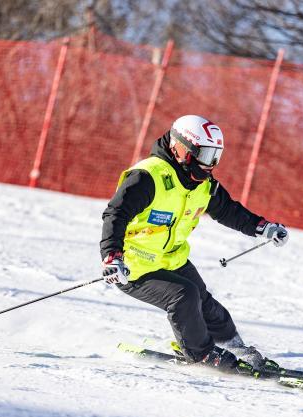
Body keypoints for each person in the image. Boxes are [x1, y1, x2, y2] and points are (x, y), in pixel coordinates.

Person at [100, 115, 288, 373]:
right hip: (134, 266)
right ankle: (200, 353)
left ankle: (235, 347)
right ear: (181, 148)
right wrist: (112, 256)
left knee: (206, 304)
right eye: (204, 154)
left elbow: (228, 211)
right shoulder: (148, 176)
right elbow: (115, 214)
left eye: (214, 157)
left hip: (172, 260)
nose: (209, 165)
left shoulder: (203, 185)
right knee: (183, 296)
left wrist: (262, 227)